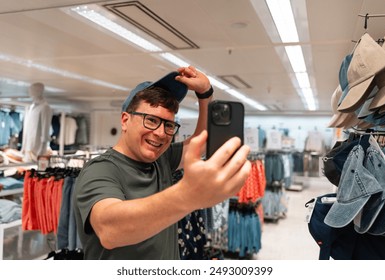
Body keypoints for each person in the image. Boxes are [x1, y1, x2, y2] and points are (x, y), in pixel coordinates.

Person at [73, 66, 251, 260]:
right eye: (150, 120)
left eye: (168, 125)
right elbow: (110, 230)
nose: (160, 133)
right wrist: (189, 195)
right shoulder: (100, 170)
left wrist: (205, 93)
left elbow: (200, 140)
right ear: (125, 120)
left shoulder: (162, 159)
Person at [21, 82, 53, 162]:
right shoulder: (31, 107)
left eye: (32, 90)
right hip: (28, 147)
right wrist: (23, 146)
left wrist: (42, 150)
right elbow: (27, 129)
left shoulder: (45, 107)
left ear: (39, 91)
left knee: (35, 171)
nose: (30, 93)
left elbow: (45, 129)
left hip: (37, 148)